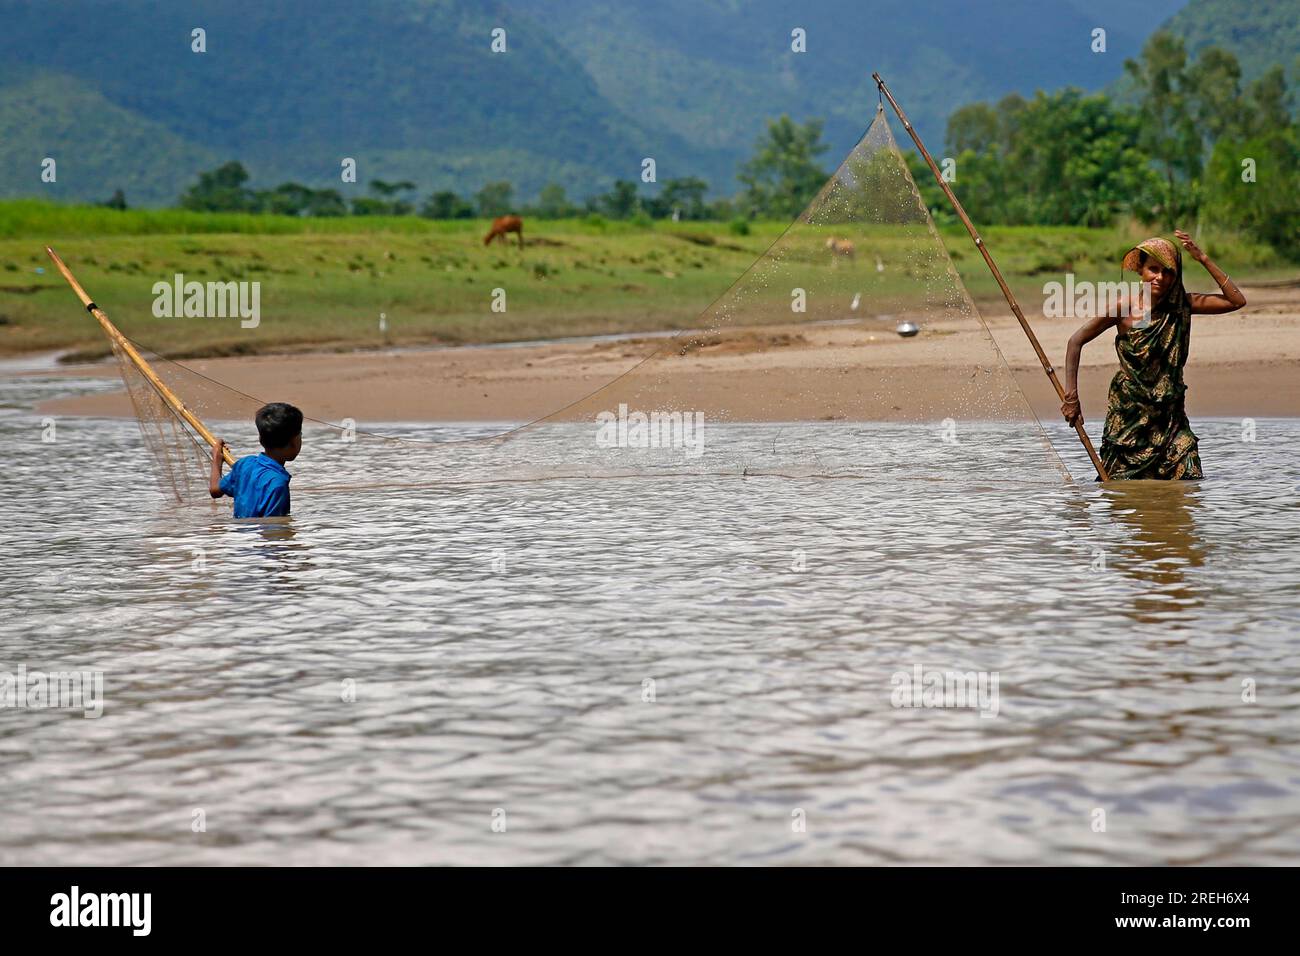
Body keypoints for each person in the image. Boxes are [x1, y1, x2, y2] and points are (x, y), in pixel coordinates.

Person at [1061, 230, 1246, 479]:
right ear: (1141, 271)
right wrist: (1071, 398)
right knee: (1120, 487)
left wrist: (1202, 258)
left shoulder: (1183, 305)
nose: (1160, 277)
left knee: (1189, 477)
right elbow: (1075, 342)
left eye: (1168, 272)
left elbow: (1236, 301)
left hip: (1171, 417)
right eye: (1153, 270)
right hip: (1130, 415)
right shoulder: (1124, 308)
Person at [209, 402, 303, 517]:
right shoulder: (277, 484)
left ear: (260, 439)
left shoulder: (244, 464)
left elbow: (215, 489)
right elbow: (274, 530)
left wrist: (217, 459)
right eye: (300, 435)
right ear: (293, 442)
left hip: (239, 533)